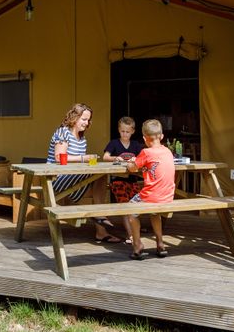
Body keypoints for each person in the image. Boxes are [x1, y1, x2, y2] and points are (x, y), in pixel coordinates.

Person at [47, 103, 122, 244]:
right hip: (58, 177)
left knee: (101, 175)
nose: (86, 123)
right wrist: (84, 158)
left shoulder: (82, 139)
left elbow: (79, 163)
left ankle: (100, 225)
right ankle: (101, 218)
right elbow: (59, 157)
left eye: (88, 120)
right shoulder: (63, 132)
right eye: (84, 119)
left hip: (74, 177)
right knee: (100, 177)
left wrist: (89, 161)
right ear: (74, 117)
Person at [126, 119, 175, 260]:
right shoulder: (167, 151)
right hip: (167, 196)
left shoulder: (146, 152)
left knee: (130, 210)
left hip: (152, 196)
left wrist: (130, 162)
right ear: (162, 136)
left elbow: (133, 167)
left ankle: (137, 245)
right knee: (155, 213)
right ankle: (160, 243)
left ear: (144, 138)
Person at [103, 116, 144, 244]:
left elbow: (143, 157)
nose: (125, 134)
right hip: (118, 180)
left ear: (132, 131)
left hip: (132, 180)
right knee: (126, 206)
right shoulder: (114, 143)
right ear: (119, 130)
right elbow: (105, 157)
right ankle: (131, 235)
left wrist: (136, 160)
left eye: (127, 131)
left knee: (137, 205)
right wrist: (115, 158)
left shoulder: (136, 145)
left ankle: (135, 230)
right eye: (122, 131)